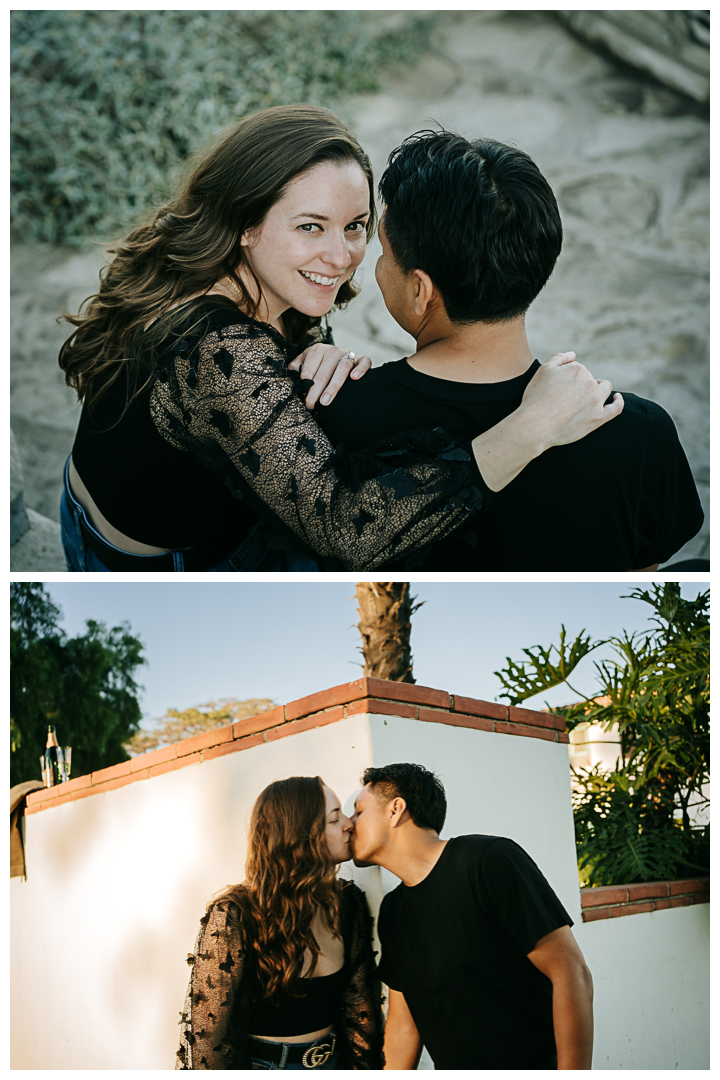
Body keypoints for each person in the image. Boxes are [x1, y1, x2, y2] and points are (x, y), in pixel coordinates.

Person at [58, 104, 623, 572]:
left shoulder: (243, 267)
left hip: (144, 503)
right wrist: (533, 427)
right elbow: (346, 532)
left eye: (355, 226)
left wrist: (306, 353)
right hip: (150, 561)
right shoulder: (219, 349)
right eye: (310, 226)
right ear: (246, 223)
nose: (342, 257)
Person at [317, 130, 704, 570]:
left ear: (422, 290)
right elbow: (638, 583)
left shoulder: (334, 413)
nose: (376, 266)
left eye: (384, 251)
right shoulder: (639, 432)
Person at [351, 763, 594, 1071]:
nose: (350, 824)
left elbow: (571, 974)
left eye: (358, 811)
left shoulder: (488, 861)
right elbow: (403, 1029)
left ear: (395, 810)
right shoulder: (393, 911)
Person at [176, 776, 383, 1070]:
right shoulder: (236, 913)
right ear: (300, 834)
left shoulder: (348, 903)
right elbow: (209, 1038)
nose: (350, 824)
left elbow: (359, 1011)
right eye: (335, 818)